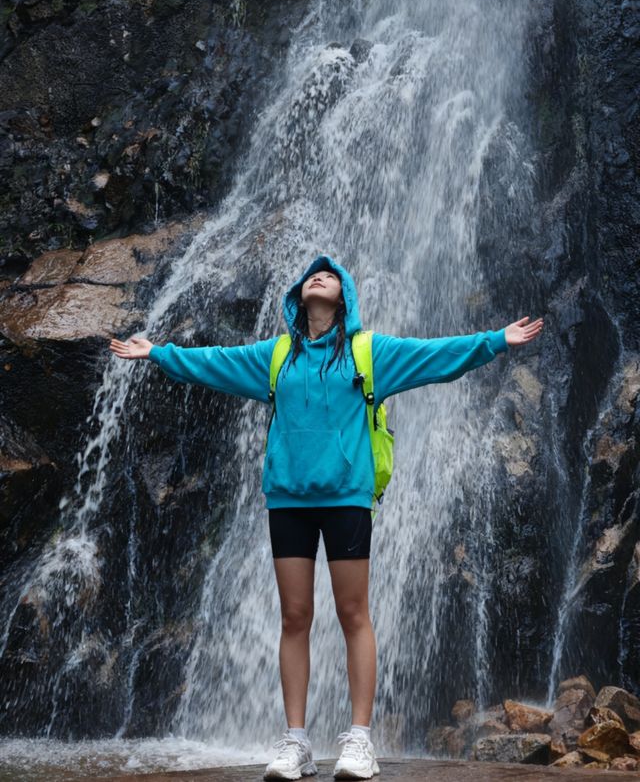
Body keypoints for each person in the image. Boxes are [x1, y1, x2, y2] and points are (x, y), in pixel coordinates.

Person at [109, 254, 544, 780]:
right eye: (312, 273)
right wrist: (158, 352)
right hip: (289, 497)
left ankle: (359, 741)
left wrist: (495, 341)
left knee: (353, 613)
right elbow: (215, 362)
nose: (319, 275)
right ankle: (295, 743)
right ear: (299, 295)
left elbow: (434, 356)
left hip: (347, 497)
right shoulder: (275, 356)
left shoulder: (369, 352)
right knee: (294, 617)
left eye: (331, 274)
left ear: (344, 296)